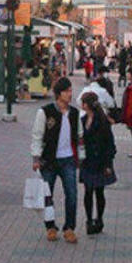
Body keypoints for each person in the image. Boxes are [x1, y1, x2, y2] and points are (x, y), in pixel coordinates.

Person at [31, 77, 80, 243]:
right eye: (67, 91)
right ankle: (50, 227)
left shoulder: (74, 114)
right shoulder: (44, 112)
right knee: (47, 195)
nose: (70, 94)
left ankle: (69, 228)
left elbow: (78, 137)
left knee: (71, 194)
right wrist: (36, 158)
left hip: (68, 160)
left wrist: (81, 157)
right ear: (59, 94)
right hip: (49, 160)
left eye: (71, 91)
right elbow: (37, 136)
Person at [79, 92, 116, 235]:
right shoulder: (82, 120)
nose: (81, 105)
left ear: (87, 104)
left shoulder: (102, 121)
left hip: (100, 161)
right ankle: (89, 220)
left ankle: (99, 219)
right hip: (87, 161)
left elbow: (110, 144)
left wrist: (108, 164)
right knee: (88, 191)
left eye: (83, 102)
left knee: (99, 192)